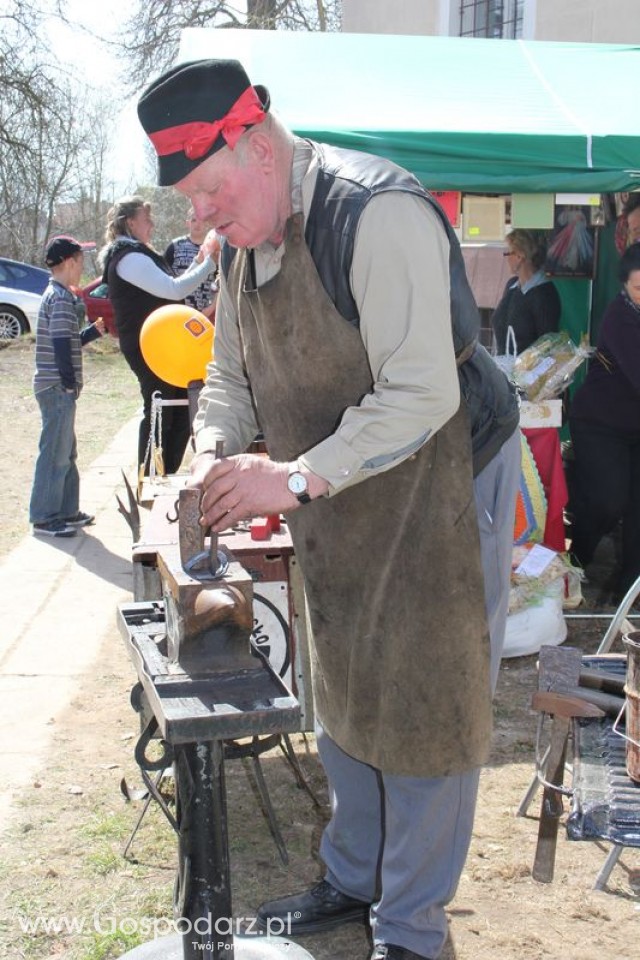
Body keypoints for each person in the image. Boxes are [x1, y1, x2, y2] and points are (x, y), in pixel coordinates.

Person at [137, 59, 521, 960]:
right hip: (334, 478)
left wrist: (297, 477)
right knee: (343, 671)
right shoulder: (240, 241)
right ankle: (353, 880)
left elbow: (422, 394)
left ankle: (412, 929)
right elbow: (228, 376)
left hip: (445, 476)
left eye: (207, 192)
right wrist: (219, 455)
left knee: (427, 692)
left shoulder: (374, 214)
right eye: (188, 201)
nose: (199, 219)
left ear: (256, 146)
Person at [101, 196, 219, 476]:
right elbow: (174, 290)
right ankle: (150, 476)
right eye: (146, 219)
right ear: (131, 223)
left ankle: (164, 473)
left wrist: (199, 262)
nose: (152, 224)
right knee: (159, 409)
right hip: (148, 347)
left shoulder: (141, 254)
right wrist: (209, 265)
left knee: (179, 412)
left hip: (165, 346)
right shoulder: (127, 257)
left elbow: (173, 284)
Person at [567, 243, 640, 601]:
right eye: (639, 287)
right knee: (608, 499)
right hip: (600, 423)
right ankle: (575, 559)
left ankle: (629, 590)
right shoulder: (619, 316)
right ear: (625, 286)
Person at [29, 236, 106, 538]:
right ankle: (45, 517)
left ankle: (67, 511)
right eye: (81, 259)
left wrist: (91, 333)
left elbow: (68, 339)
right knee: (54, 453)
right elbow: (61, 346)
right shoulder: (59, 298)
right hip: (56, 387)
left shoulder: (59, 294)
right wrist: (70, 382)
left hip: (59, 387)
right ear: (70, 262)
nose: (83, 266)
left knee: (66, 451)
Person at [491, 228, 561, 355]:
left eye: (508, 254)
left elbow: (547, 346)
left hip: (526, 373)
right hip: (502, 367)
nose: (507, 258)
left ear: (519, 256)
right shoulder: (511, 285)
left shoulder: (545, 294)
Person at [164, 208, 220, 318]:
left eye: (201, 220)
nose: (197, 224)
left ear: (207, 223)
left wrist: (212, 308)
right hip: (177, 313)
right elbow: (165, 281)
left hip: (206, 314)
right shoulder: (174, 247)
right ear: (187, 223)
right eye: (194, 220)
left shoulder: (214, 248)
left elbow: (220, 281)